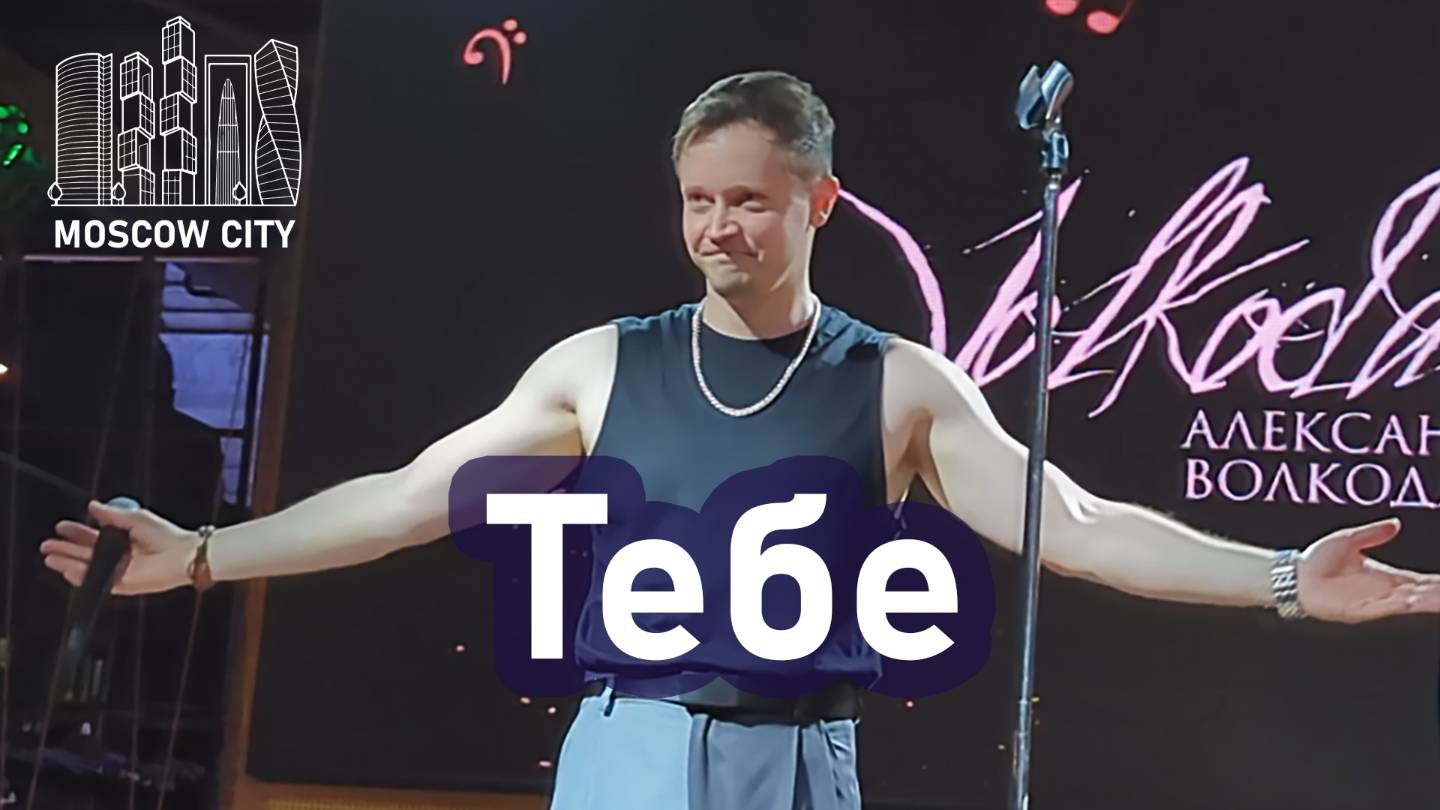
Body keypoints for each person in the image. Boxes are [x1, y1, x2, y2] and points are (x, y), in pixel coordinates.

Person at [39, 71, 1440, 809]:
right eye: (698, 199)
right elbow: (411, 498)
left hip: (802, 759)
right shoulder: (602, 363)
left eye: (750, 201)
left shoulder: (898, 383)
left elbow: (1072, 524)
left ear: (818, 203)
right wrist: (203, 553)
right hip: (630, 750)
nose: (718, 227)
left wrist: (1280, 578)